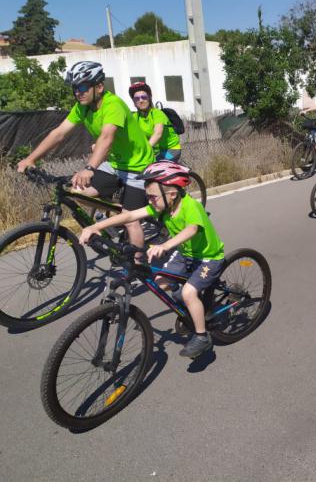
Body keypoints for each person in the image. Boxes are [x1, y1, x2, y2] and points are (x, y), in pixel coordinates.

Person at [79, 161, 226, 358]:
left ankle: (201, 336)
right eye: (147, 196)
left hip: (209, 257)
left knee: (189, 293)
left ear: (172, 194)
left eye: (152, 197)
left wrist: (165, 246)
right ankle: (193, 309)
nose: (149, 201)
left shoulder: (191, 206)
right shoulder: (162, 206)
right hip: (186, 254)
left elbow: (192, 229)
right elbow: (130, 215)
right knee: (161, 283)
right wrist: (96, 227)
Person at [16, 61, 154, 250]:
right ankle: (116, 218)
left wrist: (89, 168)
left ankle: (137, 265)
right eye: (75, 88)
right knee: (77, 193)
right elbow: (59, 133)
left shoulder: (113, 105)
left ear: (99, 87)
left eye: (82, 87)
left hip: (139, 167)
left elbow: (106, 138)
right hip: (115, 165)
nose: (78, 93)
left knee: (130, 221)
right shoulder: (83, 107)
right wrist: (31, 158)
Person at [129, 81, 182, 162]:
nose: (141, 100)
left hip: (171, 150)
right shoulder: (135, 117)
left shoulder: (157, 114)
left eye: (144, 97)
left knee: (157, 167)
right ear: (133, 101)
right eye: (137, 98)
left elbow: (158, 134)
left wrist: (144, 151)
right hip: (156, 152)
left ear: (149, 98)